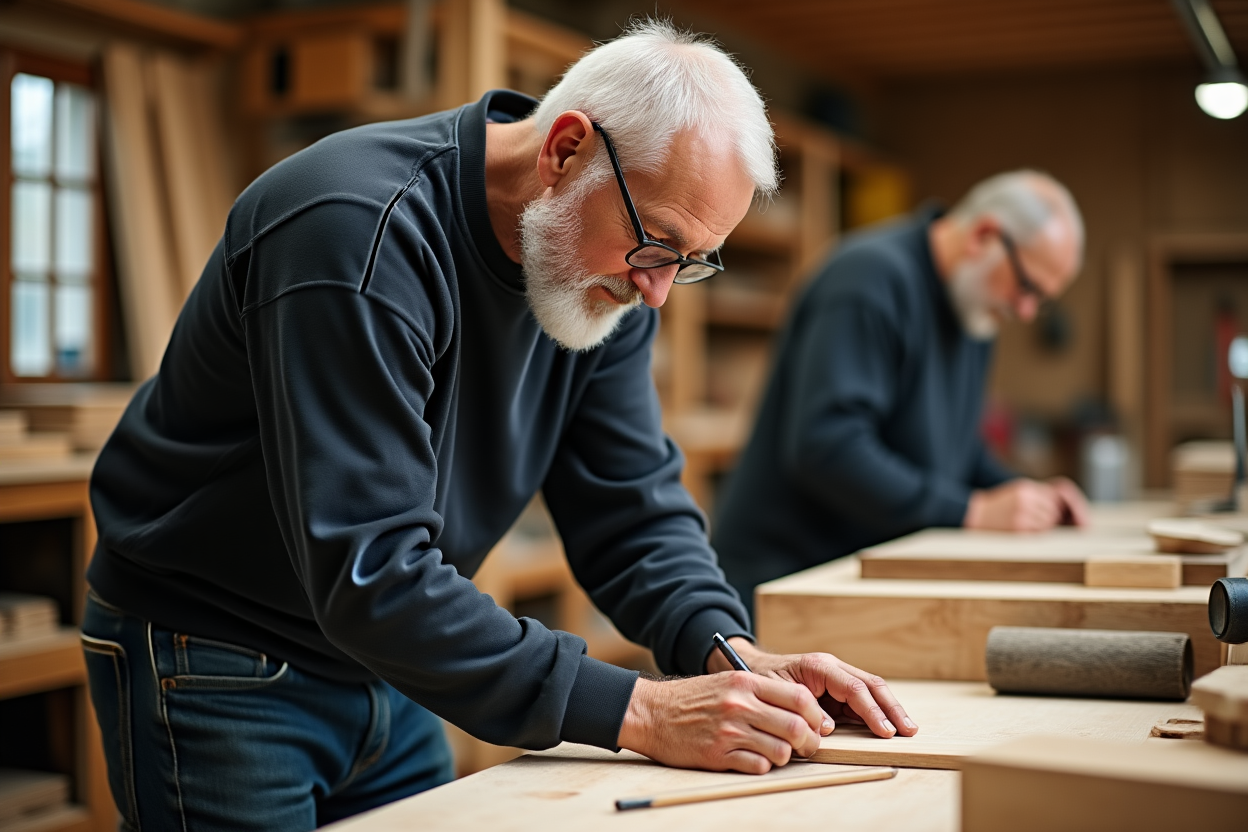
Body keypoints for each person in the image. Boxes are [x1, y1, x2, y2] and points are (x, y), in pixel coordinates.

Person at [80, 21, 915, 832]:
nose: (659, 292)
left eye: (690, 262)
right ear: (564, 150)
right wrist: (640, 710)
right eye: (658, 245)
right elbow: (370, 566)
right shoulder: (354, 229)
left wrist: (727, 651)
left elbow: (629, 505)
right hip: (219, 654)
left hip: (388, 661)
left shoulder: (607, 278)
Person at [712, 171, 1091, 615]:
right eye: (1026, 287)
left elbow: (955, 452)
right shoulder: (868, 281)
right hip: (782, 586)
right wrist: (972, 511)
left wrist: (1025, 496)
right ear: (984, 235)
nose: (1026, 312)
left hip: (854, 580)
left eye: (1041, 300)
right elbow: (827, 448)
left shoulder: (973, 308)